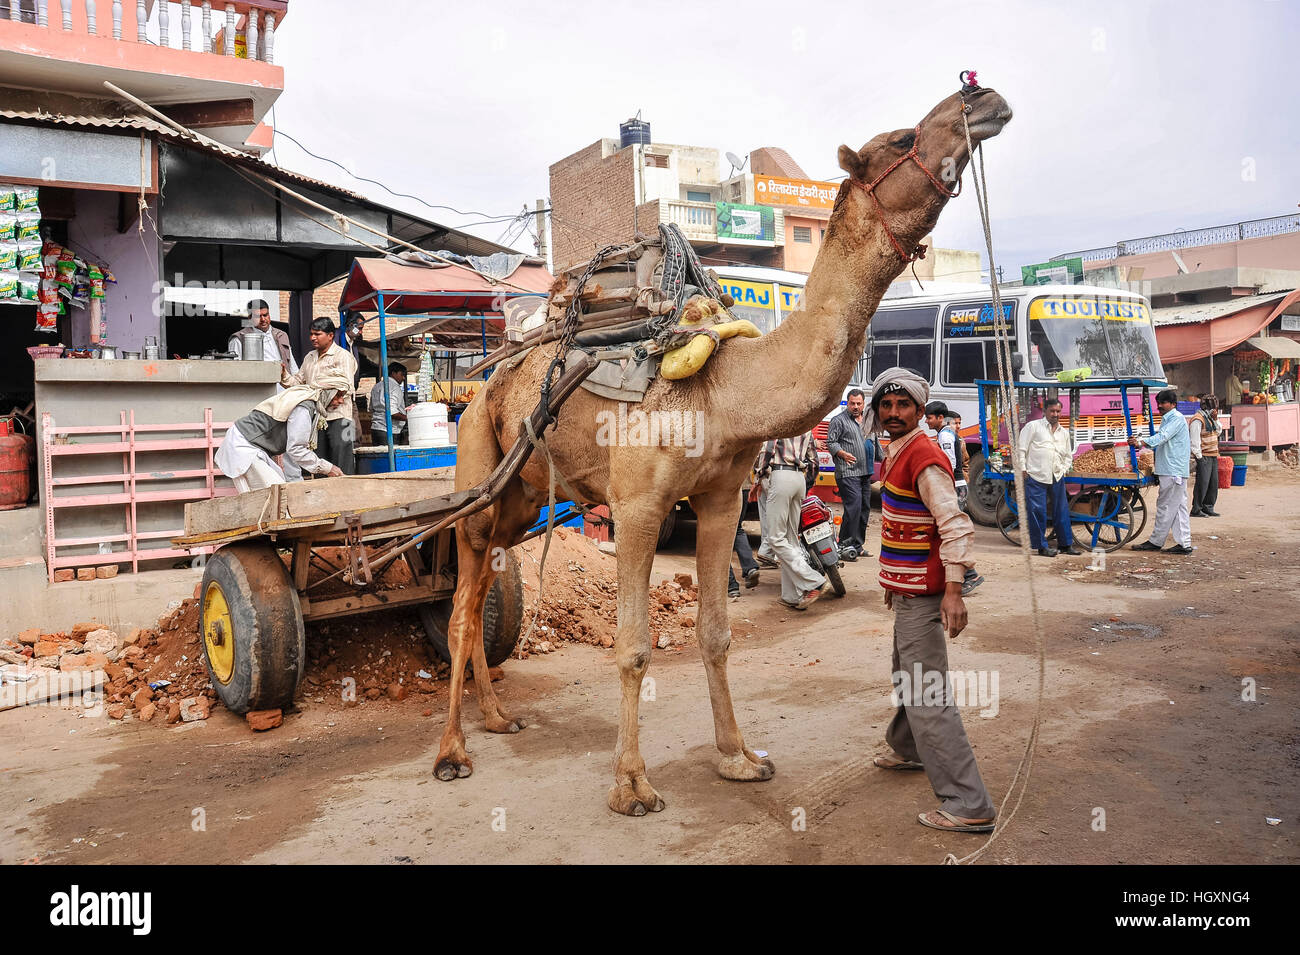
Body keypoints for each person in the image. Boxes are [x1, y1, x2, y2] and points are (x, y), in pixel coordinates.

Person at [868, 367, 995, 834]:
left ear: (921, 411)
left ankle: (968, 802)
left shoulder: (921, 456)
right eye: (887, 405)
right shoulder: (898, 451)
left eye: (903, 405)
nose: (894, 413)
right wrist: (894, 581)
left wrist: (955, 591)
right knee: (907, 673)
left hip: (927, 595)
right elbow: (908, 526)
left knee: (927, 692)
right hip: (909, 590)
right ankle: (909, 748)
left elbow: (955, 524)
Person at [215, 374, 351, 492]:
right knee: (276, 496)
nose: (341, 401)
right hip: (243, 446)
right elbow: (296, 449)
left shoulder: (308, 402)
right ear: (326, 392)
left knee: (274, 493)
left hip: (252, 447)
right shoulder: (304, 407)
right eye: (338, 395)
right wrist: (328, 468)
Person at [754, 431, 826, 610]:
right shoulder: (806, 426)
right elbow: (813, 459)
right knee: (791, 539)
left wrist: (760, 472)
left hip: (781, 475)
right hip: (798, 479)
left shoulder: (781, 422)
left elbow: (768, 449)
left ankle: (813, 580)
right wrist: (806, 481)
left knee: (775, 539)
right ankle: (792, 595)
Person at [283, 317, 359, 475]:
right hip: (317, 419)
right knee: (320, 463)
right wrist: (283, 374)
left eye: (317, 334)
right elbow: (297, 382)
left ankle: (345, 498)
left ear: (330, 335)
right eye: (311, 334)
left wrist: (322, 390)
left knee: (342, 460)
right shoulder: (310, 357)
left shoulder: (342, 356)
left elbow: (347, 387)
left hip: (341, 417)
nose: (312, 338)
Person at [926, 401, 987, 590]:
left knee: (951, 533)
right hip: (956, 485)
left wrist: (942, 487)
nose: (926, 421)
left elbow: (949, 464)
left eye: (929, 418)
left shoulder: (945, 435)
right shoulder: (946, 434)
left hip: (954, 486)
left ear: (940, 418)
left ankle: (970, 574)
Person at [1017, 397, 1082, 558]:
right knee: (1037, 511)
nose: (1055, 414)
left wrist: (1064, 468)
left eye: (1058, 411)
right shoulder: (1033, 426)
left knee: (1061, 510)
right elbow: (1021, 449)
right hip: (1035, 475)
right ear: (1045, 411)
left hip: (1057, 475)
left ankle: (1066, 544)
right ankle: (1041, 547)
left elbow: (1068, 455)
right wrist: (1023, 468)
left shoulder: (1064, 432)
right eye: (1052, 411)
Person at [1133, 389, 1193, 554]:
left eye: (1163, 403)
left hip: (1172, 470)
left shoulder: (1176, 419)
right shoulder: (1169, 419)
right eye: (1158, 403)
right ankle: (1184, 544)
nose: (1159, 406)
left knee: (1165, 506)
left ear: (1173, 404)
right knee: (1178, 507)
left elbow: (1162, 437)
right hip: (1173, 469)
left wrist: (1140, 443)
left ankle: (1156, 541)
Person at [827, 389, 875, 561]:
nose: (855, 406)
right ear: (847, 403)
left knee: (864, 510)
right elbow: (831, 442)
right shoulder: (838, 421)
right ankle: (844, 545)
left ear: (863, 404)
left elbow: (873, 439)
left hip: (866, 472)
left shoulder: (867, 421)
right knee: (853, 507)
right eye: (852, 403)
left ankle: (857, 545)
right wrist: (842, 454)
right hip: (848, 472)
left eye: (858, 403)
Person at [229, 299, 298, 388]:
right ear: (250, 318)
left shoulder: (281, 335)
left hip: (284, 391)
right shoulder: (239, 339)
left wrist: (297, 388)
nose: (263, 319)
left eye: (265, 315)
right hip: (257, 391)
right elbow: (234, 371)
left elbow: (292, 366)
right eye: (258, 316)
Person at [1189, 395, 1222, 518]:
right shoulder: (1198, 420)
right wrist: (1199, 457)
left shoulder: (1210, 419)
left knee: (1213, 483)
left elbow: (1218, 431)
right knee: (1202, 483)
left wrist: (1216, 419)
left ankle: (1208, 507)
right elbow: (1195, 440)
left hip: (1213, 454)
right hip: (1204, 455)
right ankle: (1196, 509)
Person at [727, 492, 761, 598]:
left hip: (722, 490)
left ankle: (731, 586)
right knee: (737, 528)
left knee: (716, 536)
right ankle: (750, 568)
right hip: (743, 488)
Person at [369, 361, 409, 445]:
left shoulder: (377, 386)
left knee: (379, 457)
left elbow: (371, 408)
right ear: (393, 373)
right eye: (402, 374)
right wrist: (409, 418)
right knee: (389, 457)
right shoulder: (394, 387)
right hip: (389, 431)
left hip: (376, 429)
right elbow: (392, 413)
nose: (403, 378)